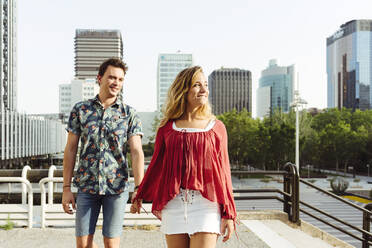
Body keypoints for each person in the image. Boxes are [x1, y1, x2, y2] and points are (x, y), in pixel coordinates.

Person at [131, 66, 236, 248]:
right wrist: (140, 193)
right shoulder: (166, 128)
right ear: (183, 90)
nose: (204, 90)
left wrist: (229, 213)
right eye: (197, 85)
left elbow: (224, 172)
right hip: (174, 204)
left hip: (206, 205)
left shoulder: (217, 127)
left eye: (205, 85)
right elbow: (156, 165)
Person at [62, 58, 144, 248]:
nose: (116, 83)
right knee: (83, 244)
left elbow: (136, 152)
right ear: (99, 78)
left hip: (116, 188)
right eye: (112, 77)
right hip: (87, 186)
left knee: (111, 244)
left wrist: (139, 188)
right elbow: (71, 149)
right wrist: (66, 188)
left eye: (121, 79)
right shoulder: (81, 110)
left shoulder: (129, 114)